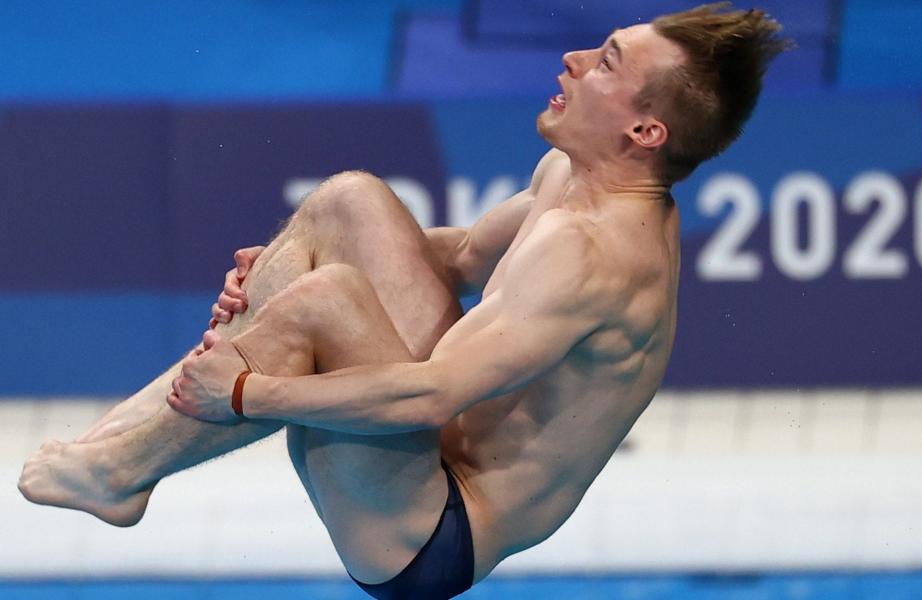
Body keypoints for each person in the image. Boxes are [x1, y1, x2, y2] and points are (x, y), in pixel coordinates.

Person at [19, 4, 789, 598]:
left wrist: (251, 392)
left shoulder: (596, 255)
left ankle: (118, 470)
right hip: (429, 443)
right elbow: (453, 257)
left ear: (645, 128)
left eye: (605, 63)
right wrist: (282, 268)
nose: (575, 58)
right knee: (345, 204)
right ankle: (112, 462)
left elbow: (429, 397)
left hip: (431, 529)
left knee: (329, 300)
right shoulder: (570, 179)